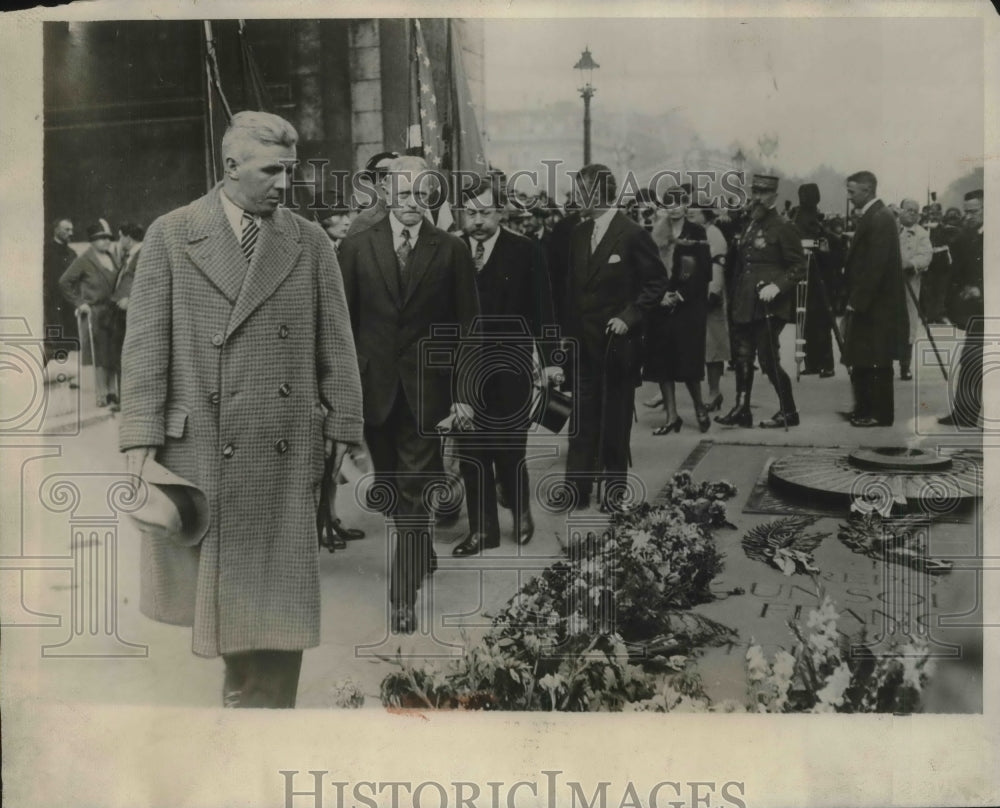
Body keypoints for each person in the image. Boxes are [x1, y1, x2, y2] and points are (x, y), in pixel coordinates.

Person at [119, 111, 364, 708]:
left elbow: (337, 341)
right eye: (271, 170)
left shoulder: (309, 242)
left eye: (291, 170)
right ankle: (246, 698)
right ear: (231, 168)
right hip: (202, 443)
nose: (285, 183)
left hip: (284, 444)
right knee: (229, 593)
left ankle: (260, 707)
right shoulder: (173, 234)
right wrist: (139, 438)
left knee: (276, 595)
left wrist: (346, 426)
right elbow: (147, 344)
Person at [338, 154, 481, 634]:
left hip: (428, 393)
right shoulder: (357, 247)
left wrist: (462, 394)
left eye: (423, 193)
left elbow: (468, 329)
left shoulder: (451, 250)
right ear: (386, 194)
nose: (413, 203)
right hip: (373, 392)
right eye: (403, 193)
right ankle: (418, 552)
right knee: (394, 491)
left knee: (417, 490)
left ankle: (402, 598)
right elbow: (341, 328)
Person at [452, 176, 560, 556]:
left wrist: (549, 363)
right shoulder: (451, 250)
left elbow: (543, 306)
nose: (478, 220)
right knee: (470, 450)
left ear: (500, 212)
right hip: (463, 368)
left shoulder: (525, 251)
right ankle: (483, 531)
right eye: (471, 212)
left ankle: (521, 511)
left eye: (485, 212)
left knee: (509, 446)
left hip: (511, 366)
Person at [553, 163, 668, 513]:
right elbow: (572, 290)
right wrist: (564, 339)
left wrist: (628, 317)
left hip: (618, 347)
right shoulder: (577, 233)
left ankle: (614, 491)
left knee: (615, 419)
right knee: (582, 417)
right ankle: (577, 489)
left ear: (596, 193)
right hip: (583, 346)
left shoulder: (632, 233)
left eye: (578, 191)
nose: (574, 199)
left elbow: (656, 282)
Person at [716, 174, 805, 429]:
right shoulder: (750, 224)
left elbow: (799, 266)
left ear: (774, 196)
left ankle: (789, 411)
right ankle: (742, 409)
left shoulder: (783, 226)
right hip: (745, 300)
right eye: (755, 191)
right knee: (742, 356)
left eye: (764, 192)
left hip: (769, 304)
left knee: (767, 359)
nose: (757, 197)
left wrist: (777, 286)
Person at [840, 170, 908, 427]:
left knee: (876, 359)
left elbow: (875, 267)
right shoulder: (877, 215)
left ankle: (878, 414)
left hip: (875, 306)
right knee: (865, 358)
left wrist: (856, 302)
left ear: (867, 190)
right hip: (872, 303)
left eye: (852, 192)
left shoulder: (879, 217)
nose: (849, 197)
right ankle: (865, 408)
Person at [643, 188, 712, 434]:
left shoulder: (697, 232)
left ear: (685, 206)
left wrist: (680, 295)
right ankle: (672, 416)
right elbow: (648, 270)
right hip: (661, 307)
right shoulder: (656, 233)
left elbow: (704, 271)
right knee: (663, 362)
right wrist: (661, 296)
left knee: (688, 361)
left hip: (689, 307)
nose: (673, 208)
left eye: (678, 203)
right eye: (668, 203)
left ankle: (699, 407)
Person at [59, 219, 121, 407]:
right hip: (96, 313)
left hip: (112, 312)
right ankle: (101, 393)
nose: (106, 241)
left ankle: (112, 391)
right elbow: (65, 282)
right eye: (101, 238)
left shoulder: (111, 256)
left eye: (108, 238)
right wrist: (80, 303)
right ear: (92, 241)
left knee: (112, 352)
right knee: (100, 355)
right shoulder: (85, 259)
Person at [939, 189, 984, 428]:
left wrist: (981, 289)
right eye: (966, 212)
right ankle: (964, 414)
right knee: (971, 360)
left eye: (974, 211)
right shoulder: (971, 235)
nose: (968, 216)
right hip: (978, 312)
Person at [793, 184, 838, 378]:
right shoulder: (804, 217)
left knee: (817, 319)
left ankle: (823, 363)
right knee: (811, 318)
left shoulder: (806, 218)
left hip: (816, 271)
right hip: (809, 271)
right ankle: (815, 363)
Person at [688, 204, 730, 411]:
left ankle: (714, 393)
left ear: (705, 216)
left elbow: (718, 264)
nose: (689, 215)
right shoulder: (695, 233)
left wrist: (713, 291)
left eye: (694, 213)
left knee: (713, 346)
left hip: (710, 296)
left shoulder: (714, 234)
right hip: (694, 295)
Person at [108, 223, 144, 411]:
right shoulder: (129, 256)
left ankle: (128, 403)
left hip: (131, 312)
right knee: (120, 355)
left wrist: (130, 299)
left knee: (128, 357)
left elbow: (147, 282)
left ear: (128, 238)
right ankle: (124, 401)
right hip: (120, 313)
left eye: (120, 236)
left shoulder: (144, 254)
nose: (119, 241)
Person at [896, 198, 933, 380]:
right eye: (908, 209)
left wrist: (911, 264)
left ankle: (905, 365)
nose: (912, 213)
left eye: (915, 211)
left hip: (909, 282)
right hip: (887, 283)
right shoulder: (891, 229)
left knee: (908, 322)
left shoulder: (921, 234)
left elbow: (926, 256)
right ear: (900, 210)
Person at [43, 217, 78, 363]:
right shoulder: (45, 252)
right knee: (56, 337)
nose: (71, 233)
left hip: (68, 303)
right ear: (56, 230)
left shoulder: (72, 253)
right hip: (52, 302)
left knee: (70, 337)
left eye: (71, 230)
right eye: (66, 229)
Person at [920, 205, 960, 324]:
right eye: (932, 214)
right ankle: (929, 315)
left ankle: (938, 314)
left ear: (941, 214)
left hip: (942, 261)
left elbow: (951, 238)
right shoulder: (924, 227)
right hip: (929, 261)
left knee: (941, 288)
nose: (934, 216)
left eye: (937, 213)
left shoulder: (945, 227)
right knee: (929, 288)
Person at [346, 150, 398, 237]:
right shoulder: (365, 221)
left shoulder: (416, 212)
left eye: (390, 176)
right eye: (376, 178)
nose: (382, 182)